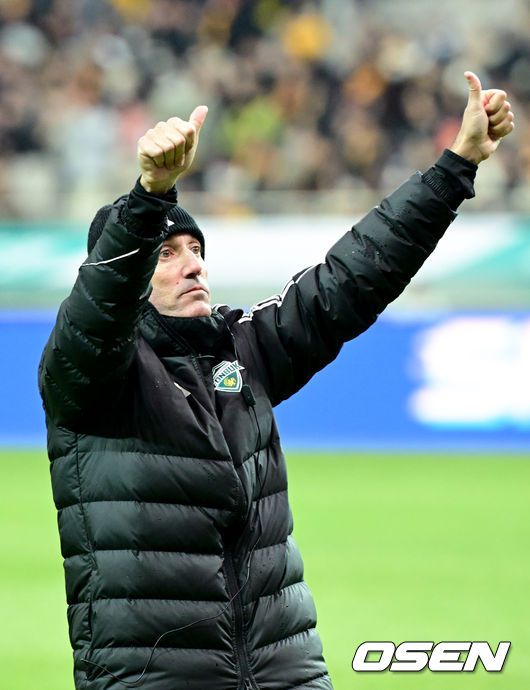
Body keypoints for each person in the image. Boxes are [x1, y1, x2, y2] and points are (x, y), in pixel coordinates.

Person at [38, 71, 514, 690]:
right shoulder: (91, 374)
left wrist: (456, 166)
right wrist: (149, 197)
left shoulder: (242, 349)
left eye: (195, 248)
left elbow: (349, 279)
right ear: (126, 273)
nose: (193, 264)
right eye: (167, 253)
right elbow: (97, 311)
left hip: (283, 670)